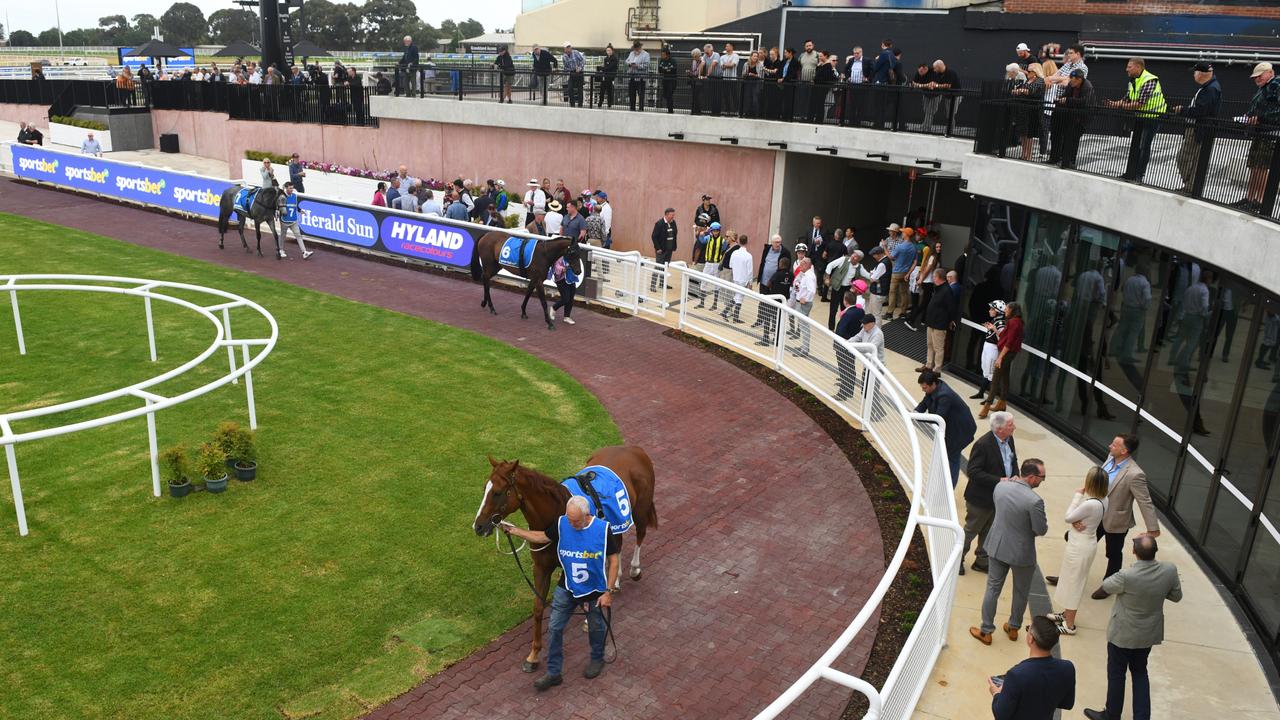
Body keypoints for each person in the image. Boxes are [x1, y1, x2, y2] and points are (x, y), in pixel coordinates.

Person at [500, 495, 619, 691]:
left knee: (597, 628)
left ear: (587, 515)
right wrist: (514, 531)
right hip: (567, 586)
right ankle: (553, 673)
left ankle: (597, 658)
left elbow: (614, 560)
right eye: (569, 519)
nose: (571, 524)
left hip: (593, 590)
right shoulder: (563, 523)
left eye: (575, 521)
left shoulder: (603, 530)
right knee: (554, 627)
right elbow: (541, 537)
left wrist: (608, 591)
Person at [1082, 536, 1183, 720]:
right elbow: (1176, 596)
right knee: (1140, 672)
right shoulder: (1169, 570)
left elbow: (1106, 585)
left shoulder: (1127, 575)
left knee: (1117, 674)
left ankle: (1112, 715)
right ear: (1155, 552)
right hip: (1147, 634)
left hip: (1122, 633)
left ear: (1134, 552)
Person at [970, 458, 1048, 646]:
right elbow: (1041, 530)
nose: (1042, 481)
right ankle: (1014, 628)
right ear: (1030, 477)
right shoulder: (1035, 500)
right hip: (1022, 553)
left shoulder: (1001, 487)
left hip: (997, 546)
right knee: (1021, 592)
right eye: (1041, 477)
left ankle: (986, 630)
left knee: (992, 589)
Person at [1048, 466, 1109, 635]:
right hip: (1086, 543)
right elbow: (1079, 518)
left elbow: (1068, 516)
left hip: (1079, 546)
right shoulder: (1105, 500)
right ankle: (1067, 615)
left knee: (1074, 583)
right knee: (1071, 579)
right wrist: (1077, 521)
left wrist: (1077, 496)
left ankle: (1070, 625)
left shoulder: (1090, 503)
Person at [1095, 433, 1159, 580]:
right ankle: (1069, 578)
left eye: (1114, 445)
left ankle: (1109, 584)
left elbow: (1145, 501)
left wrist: (1153, 529)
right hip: (1097, 513)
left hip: (1116, 520)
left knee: (1113, 553)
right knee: (1082, 547)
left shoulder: (1135, 474)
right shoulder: (1110, 458)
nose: (1110, 446)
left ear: (1124, 451)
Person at [962, 411, 1018, 575]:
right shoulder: (983, 444)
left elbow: (1012, 460)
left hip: (998, 498)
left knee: (990, 530)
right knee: (971, 530)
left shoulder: (1009, 439)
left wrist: (1015, 474)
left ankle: (982, 561)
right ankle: (957, 559)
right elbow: (973, 471)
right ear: (999, 429)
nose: (1014, 427)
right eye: (1010, 425)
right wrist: (1000, 480)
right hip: (981, 499)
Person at [988, 615, 1076, 720]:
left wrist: (996, 693)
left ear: (1031, 639)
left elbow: (1000, 715)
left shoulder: (1016, 675)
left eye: (1028, 629)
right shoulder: (1067, 668)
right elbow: (1067, 704)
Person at [1105, 57, 1165, 182]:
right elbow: (1127, 99)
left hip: (1153, 118)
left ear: (1138, 67)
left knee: (1144, 146)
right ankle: (1130, 173)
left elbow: (1140, 103)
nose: (1126, 69)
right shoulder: (1133, 80)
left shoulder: (1149, 80)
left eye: (1129, 66)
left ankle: (1139, 175)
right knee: (1135, 145)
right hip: (1141, 117)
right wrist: (1114, 104)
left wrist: (1121, 106)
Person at [915, 370, 978, 486]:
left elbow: (937, 418)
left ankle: (949, 487)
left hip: (960, 431)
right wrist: (915, 412)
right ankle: (943, 482)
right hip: (952, 427)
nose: (923, 390)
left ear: (933, 384)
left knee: (952, 457)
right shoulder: (933, 389)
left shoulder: (945, 395)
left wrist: (917, 417)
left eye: (924, 388)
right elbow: (924, 403)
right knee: (947, 455)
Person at [1233, 62, 1280, 213]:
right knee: (1255, 166)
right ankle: (1251, 198)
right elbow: (1259, 108)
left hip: (1269, 134)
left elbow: (1276, 111)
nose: (1257, 79)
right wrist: (1249, 116)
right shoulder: (1265, 88)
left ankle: (1260, 202)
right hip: (1261, 133)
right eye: (1255, 77)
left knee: (1261, 167)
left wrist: (1259, 119)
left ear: (1270, 72)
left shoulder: (1275, 86)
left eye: (1260, 76)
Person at [1170, 62, 1221, 192]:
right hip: (1198, 128)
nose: (1193, 74)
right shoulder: (1209, 87)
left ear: (1201, 74)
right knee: (1193, 159)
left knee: (1185, 158)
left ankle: (1192, 186)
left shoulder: (1210, 89)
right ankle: (1191, 186)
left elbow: (1200, 112)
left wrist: (1182, 110)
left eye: (1195, 72)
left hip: (1199, 129)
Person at [980, 301, 1024, 419]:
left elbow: (1009, 342)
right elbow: (1004, 336)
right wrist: (993, 328)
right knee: (1004, 377)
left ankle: (987, 406)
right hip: (1007, 351)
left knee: (995, 378)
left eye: (1007, 309)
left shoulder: (1014, 322)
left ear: (1012, 310)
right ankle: (1002, 403)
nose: (1005, 311)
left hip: (1006, 352)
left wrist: (1000, 357)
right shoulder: (1014, 322)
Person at [833, 291, 866, 400]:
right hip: (853, 344)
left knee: (844, 368)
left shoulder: (848, 314)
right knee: (850, 367)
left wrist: (847, 339)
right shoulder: (860, 311)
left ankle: (843, 392)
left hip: (844, 344)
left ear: (845, 301)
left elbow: (840, 331)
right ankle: (849, 390)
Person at [824, 247, 862, 331]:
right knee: (833, 310)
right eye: (853, 255)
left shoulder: (859, 267)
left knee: (845, 310)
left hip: (847, 289)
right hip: (837, 287)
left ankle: (842, 328)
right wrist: (827, 277)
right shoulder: (843, 259)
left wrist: (873, 277)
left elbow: (866, 275)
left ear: (859, 259)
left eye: (855, 256)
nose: (853, 256)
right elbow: (830, 265)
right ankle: (831, 329)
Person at [885, 227, 918, 320]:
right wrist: (908, 273)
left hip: (896, 272)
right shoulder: (914, 247)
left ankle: (889, 313)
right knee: (904, 293)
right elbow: (915, 262)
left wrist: (884, 247)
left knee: (892, 292)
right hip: (906, 273)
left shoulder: (900, 246)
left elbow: (891, 257)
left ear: (906, 234)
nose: (901, 234)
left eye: (903, 233)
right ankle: (903, 312)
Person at [277, 182, 313, 260]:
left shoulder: (294, 196)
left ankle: (304, 252)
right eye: (290, 188)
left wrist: (300, 211)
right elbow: (280, 208)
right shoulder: (282, 197)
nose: (292, 189)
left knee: (298, 235)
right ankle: (281, 250)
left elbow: (295, 206)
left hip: (293, 220)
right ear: (286, 188)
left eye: (292, 188)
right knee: (283, 236)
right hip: (284, 221)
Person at [723, 234, 753, 323]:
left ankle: (726, 312)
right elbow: (750, 271)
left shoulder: (735, 253)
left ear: (739, 241)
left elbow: (730, 265)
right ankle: (734, 317)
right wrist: (750, 283)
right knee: (739, 298)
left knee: (737, 296)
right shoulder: (748, 256)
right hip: (743, 279)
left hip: (736, 277)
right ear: (747, 242)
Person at [790, 257, 818, 354]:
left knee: (803, 326)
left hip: (803, 304)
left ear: (806, 265)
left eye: (801, 264)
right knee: (803, 326)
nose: (799, 266)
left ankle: (805, 350)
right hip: (801, 303)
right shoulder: (806, 274)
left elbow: (812, 290)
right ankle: (804, 346)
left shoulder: (809, 276)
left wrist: (805, 299)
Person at [550, 250, 582, 325]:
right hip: (561, 280)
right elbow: (556, 267)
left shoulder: (573, 256)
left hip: (571, 279)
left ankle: (567, 317)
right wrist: (563, 268)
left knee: (571, 298)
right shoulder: (560, 256)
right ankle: (554, 308)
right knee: (565, 299)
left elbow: (577, 265)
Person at [650, 208, 677, 291]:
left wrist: (673, 246)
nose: (673, 217)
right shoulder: (659, 223)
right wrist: (658, 248)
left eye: (673, 215)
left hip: (669, 249)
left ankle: (662, 284)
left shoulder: (673, 223)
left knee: (665, 267)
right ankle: (653, 285)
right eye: (672, 215)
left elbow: (675, 233)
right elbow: (654, 236)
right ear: (666, 214)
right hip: (661, 250)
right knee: (658, 266)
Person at [626, 41, 650, 112]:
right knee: (631, 93)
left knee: (641, 94)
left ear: (640, 48)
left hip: (641, 77)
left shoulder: (646, 54)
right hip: (632, 76)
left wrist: (637, 66)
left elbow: (647, 65)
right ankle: (632, 108)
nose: (635, 50)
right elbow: (627, 61)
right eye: (635, 49)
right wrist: (630, 64)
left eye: (637, 49)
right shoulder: (631, 53)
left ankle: (641, 108)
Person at [561, 43, 585, 107]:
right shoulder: (564, 57)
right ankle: (572, 104)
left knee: (580, 89)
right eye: (567, 48)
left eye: (569, 47)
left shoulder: (576, 52)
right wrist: (569, 70)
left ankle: (580, 104)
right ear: (565, 49)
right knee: (569, 88)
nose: (568, 49)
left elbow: (582, 61)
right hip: (572, 73)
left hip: (579, 73)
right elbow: (565, 67)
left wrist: (580, 68)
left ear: (570, 48)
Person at [658, 48, 677, 114]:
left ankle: (670, 110)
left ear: (667, 55)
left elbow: (673, 70)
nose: (662, 56)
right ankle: (668, 108)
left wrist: (665, 70)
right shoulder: (661, 61)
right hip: (665, 80)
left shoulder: (673, 61)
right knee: (665, 95)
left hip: (671, 81)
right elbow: (660, 70)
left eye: (663, 54)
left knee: (669, 95)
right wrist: (667, 70)